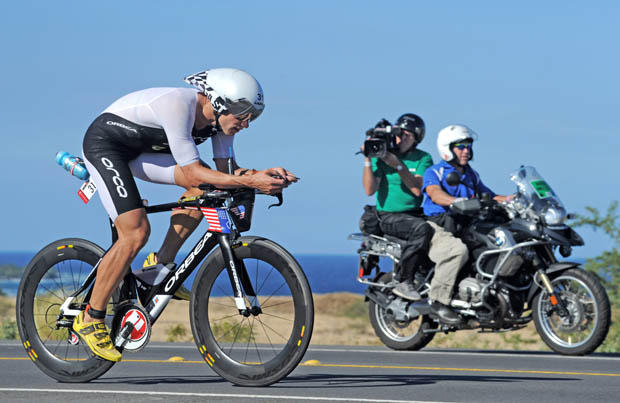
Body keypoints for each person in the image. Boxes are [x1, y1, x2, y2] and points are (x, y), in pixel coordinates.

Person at [74, 68, 298, 362]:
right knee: (136, 232)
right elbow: (193, 172)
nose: (246, 124)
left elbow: (226, 172)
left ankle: (160, 266)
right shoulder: (177, 105)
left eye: (253, 117)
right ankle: (90, 317)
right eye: (243, 115)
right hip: (106, 146)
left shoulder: (220, 125)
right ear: (219, 102)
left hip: (142, 151)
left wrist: (262, 174)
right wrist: (251, 181)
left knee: (206, 189)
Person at [422, 124, 510, 324]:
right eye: (461, 146)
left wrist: (511, 199)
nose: (466, 150)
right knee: (458, 251)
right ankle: (438, 302)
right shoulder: (435, 172)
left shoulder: (471, 174)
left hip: (464, 224)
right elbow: (435, 194)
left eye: (468, 146)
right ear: (447, 148)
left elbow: (489, 196)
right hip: (439, 223)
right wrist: (454, 201)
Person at [362, 114, 434, 300]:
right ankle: (404, 280)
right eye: (398, 134)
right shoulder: (382, 156)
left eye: (406, 135)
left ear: (416, 138)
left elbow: (417, 190)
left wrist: (398, 165)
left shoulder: (423, 158)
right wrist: (368, 159)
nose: (400, 139)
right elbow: (369, 190)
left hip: (414, 214)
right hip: (388, 216)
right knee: (422, 229)